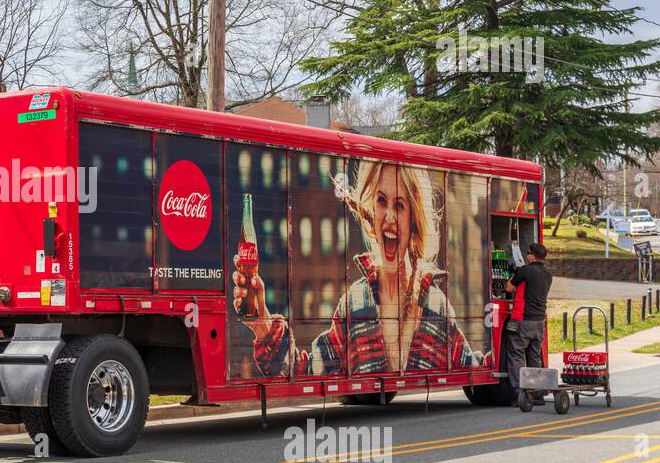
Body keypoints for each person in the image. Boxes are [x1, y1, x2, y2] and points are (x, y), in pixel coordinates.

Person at [235, 161, 487, 376]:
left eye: (399, 206)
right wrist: (263, 325)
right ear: (371, 212)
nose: (388, 216)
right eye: (381, 201)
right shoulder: (353, 303)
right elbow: (308, 370)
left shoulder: (436, 306)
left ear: (413, 220)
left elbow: (472, 369)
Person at [503, 241, 552, 402]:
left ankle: (521, 394)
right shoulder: (548, 274)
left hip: (523, 320)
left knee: (516, 355)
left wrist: (513, 275)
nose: (526, 255)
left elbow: (509, 288)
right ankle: (537, 394)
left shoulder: (525, 271)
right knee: (534, 357)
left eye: (528, 252)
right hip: (539, 322)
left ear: (531, 255)